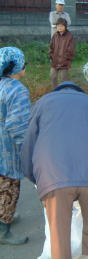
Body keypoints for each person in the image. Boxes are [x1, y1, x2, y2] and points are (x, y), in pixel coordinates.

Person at [21, 82, 88, 259]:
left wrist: (35, 177)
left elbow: (29, 142)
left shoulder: (43, 103)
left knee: (59, 232)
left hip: (54, 174)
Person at [0, 47, 31, 245]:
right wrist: (28, 151)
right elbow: (18, 127)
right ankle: (4, 228)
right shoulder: (17, 90)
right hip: (7, 149)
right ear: (16, 67)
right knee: (9, 187)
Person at [49, 18, 75, 89]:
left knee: (63, 79)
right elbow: (51, 47)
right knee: (52, 76)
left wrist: (66, 60)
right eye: (58, 26)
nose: (59, 27)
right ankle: (55, 91)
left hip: (64, 62)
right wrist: (51, 56)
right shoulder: (55, 35)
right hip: (55, 61)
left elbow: (71, 50)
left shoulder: (70, 36)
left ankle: (64, 93)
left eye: (61, 26)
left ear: (65, 27)